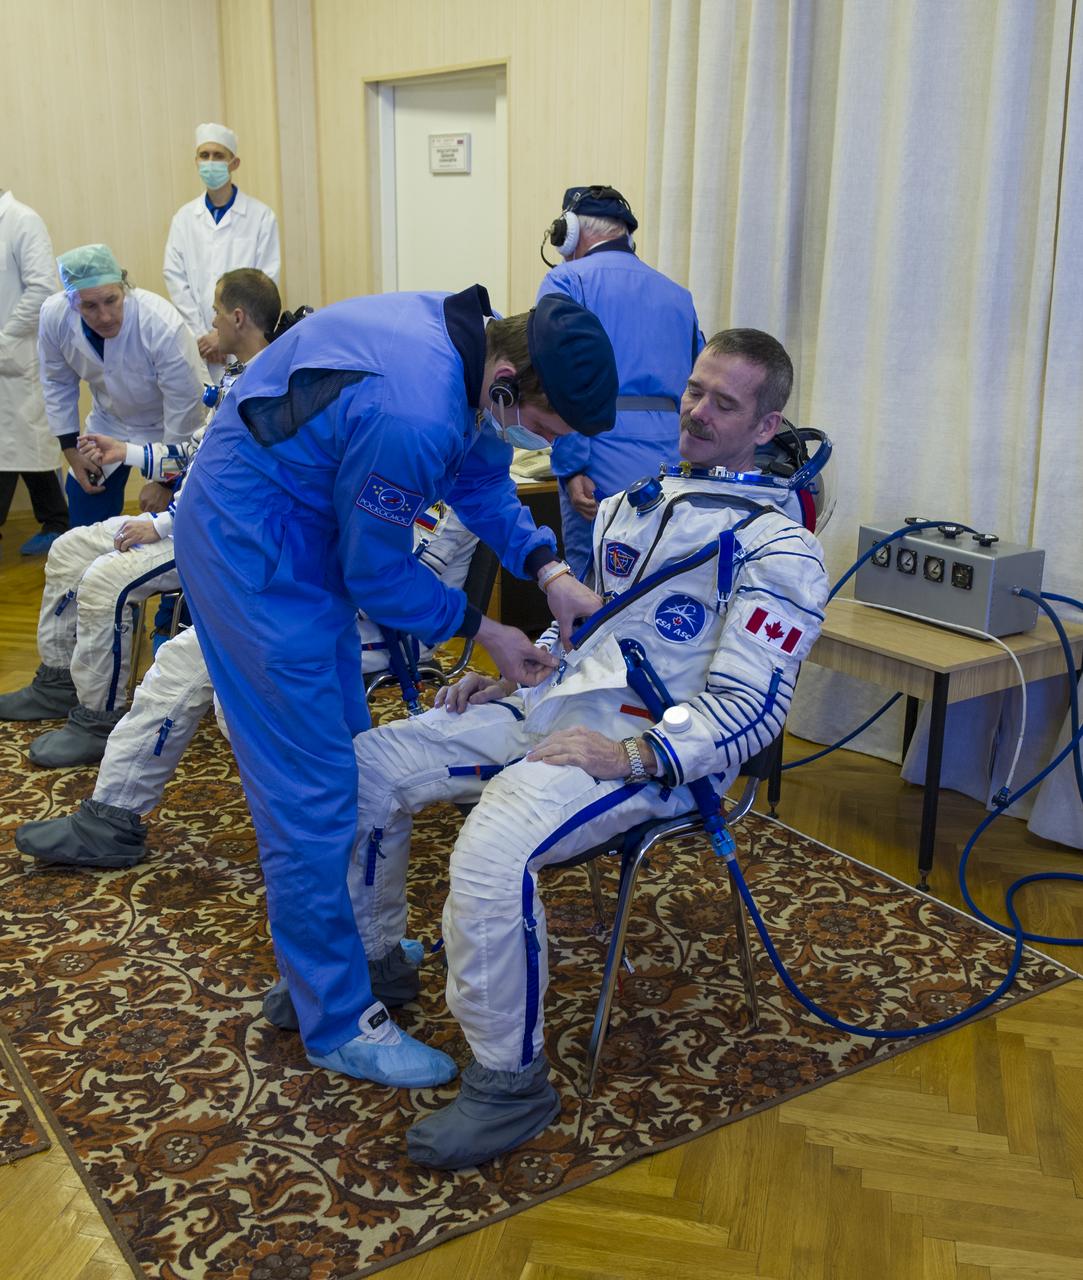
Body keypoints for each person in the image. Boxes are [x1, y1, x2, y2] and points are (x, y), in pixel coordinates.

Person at [345, 329, 830, 1168]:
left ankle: (509, 1085)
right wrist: (523, 668)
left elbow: (751, 712)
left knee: (491, 848)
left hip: (650, 752)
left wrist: (637, 758)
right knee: (374, 763)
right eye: (693, 390)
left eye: (724, 403)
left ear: (765, 426)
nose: (697, 413)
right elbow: (597, 627)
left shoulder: (778, 551)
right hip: (560, 710)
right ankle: (377, 958)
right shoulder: (633, 503)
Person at [172, 284, 618, 1091]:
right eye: (545, 428)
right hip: (251, 548)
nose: (543, 443)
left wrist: (546, 568)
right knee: (308, 795)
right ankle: (337, 1019)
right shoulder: (414, 408)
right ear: (511, 378)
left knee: (347, 749)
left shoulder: (464, 351)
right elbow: (376, 572)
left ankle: (333, 957)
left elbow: (480, 478)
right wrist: (485, 631)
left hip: (297, 525)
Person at [13, 502, 477, 869]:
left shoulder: (449, 493)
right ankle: (111, 818)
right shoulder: (400, 460)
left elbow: (393, 587)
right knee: (186, 658)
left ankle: (317, 821)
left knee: (225, 675)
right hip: (322, 608)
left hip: (389, 631)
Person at [0, 269, 267, 764]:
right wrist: (123, 452)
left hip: (219, 538)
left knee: (107, 581)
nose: (208, 320)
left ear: (237, 317)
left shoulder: (263, 391)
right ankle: (59, 681)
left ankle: (101, 718)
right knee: (68, 549)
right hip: (188, 520)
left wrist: (161, 523)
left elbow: (229, 486)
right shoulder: (237, 377)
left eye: (214, 310)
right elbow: (192, 454)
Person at [538, 185, 703, 577]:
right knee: (656, 578)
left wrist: (572, 466)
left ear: (570, 232)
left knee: (592, 579)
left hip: (598, 455)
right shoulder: (679, 295)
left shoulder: (566, 282)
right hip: (670, 463)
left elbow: (566, 377)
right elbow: (698, 382)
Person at [37, 244, 205, 528]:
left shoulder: (160, 323)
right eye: (90, 306)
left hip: (169, 426)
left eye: (111, 300)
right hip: (109, 421)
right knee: (84, 511)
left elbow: (184, 406)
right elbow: (57, 382)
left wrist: (166, 481)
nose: (104, 316)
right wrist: (71, 452)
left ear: (124, 287)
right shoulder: (55, 317)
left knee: (173, 521)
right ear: (71, 302)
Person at [163, 123, 280, 381]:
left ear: (234, 163)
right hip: (200, 347)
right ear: (196, 161)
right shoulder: (184, 219)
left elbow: (264, 284)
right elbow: (175, 278)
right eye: (204, 155)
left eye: (218, 155)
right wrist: (202, 335)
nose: (210, 162)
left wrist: (223, 336)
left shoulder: (261, 217)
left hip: (245, 341)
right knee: (206, 413)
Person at [0, 190, 67, 556]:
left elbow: (43, 287)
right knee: (13, 446)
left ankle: (56, 522)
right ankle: (54, 518)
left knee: (24, 441)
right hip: (7, 355)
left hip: (16, 354)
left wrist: (6, 337)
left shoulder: (22, 220)